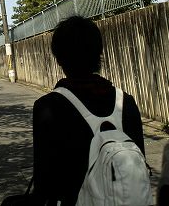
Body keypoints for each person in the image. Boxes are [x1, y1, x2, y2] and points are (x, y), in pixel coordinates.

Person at [30, 15, 145, 205]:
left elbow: (44, 178)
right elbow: (139, 162)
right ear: (99, 53)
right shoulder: (126, 102)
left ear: (59, 59)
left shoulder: (48, 106)